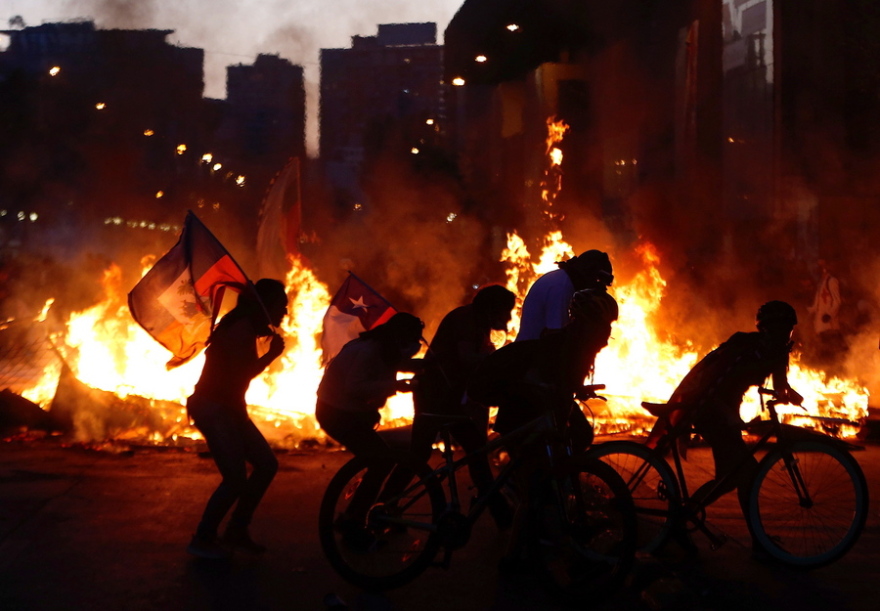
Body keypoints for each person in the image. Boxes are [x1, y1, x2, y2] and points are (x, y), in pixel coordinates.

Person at [468, 288, 619, 568]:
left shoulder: (579, 346)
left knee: (575, 442)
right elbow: (545, 386)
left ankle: (542, 522)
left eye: (609, 326)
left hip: (539, 411)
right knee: (536, 488)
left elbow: (561, 389)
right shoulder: (564, 348)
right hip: (521, 415)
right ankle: (515, 559)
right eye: (603, 326)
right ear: (586, 324)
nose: (607, 335)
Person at [653, 300, 803, 555]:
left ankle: (754, 540)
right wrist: (730, 418)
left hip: (727, 410)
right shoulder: (745, 347)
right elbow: (712, 385)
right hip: (709, 408)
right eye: (781, 328)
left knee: (732, 476)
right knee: (744, 474)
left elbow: (780, 385)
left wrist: (789, 394)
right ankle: (685, 523)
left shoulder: (778, 351)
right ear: (767, 328)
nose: (785, 334)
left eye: (789, 329)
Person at [186, 278, 288, 559]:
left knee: (266, 464)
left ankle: (236, 530)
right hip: (214, 408)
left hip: (229, 408)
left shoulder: (245, 327)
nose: (284, 312)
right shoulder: (240, 329)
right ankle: (203, 538)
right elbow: (240, 376)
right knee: (234, 478)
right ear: (265, 306)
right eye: (281, 306)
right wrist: (271, 356)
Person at [409, 284, 516, 529]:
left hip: (450, 395)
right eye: (506, 312)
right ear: (491, 310)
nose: (509, 318)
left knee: (476, 451)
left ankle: (498, 510)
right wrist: (502, 357)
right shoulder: (466, 320)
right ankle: (377, 508)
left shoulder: (479, 321)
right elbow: (467, 359)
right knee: (418, 457)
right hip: (434, 394)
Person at [315, 312, 424, 545]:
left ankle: (385, 510)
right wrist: (395, 385)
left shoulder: (383, 347)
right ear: (399, 337)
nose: (414, 346)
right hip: (337, 414)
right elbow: (355, 387)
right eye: (412, 340)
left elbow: (399, 363)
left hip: (350, 413)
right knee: (380, 460)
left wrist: (427, 365)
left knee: (396, 454)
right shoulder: (368, 351)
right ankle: (352, 521)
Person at [516, 249, 614, 341]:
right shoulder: (561, 287)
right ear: (588, 274)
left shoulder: (563, 281)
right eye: (597, 282)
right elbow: (556, 337)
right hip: (532, 351)